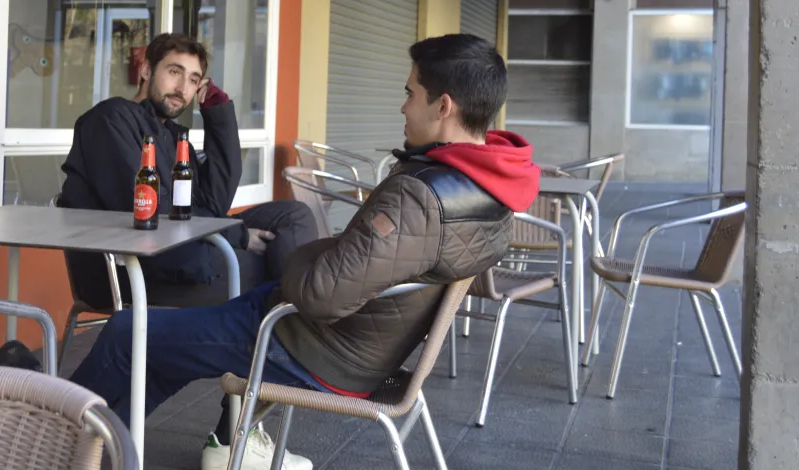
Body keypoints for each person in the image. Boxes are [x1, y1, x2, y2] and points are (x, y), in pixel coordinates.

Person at [66, 33, 541, 470]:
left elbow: (321, 293)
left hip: (313, 344)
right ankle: (110, 443)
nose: (402, 107)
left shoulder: (421, 194)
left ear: (443, 106)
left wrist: (305, 255)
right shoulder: (496, 188)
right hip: (349, 340)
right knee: (163, 347)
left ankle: (52, 431)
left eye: (410, 94)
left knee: (129, 330)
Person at [53, 32, 321, 469]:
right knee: (270, 292)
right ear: (146, 70)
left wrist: (218, 115)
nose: (183, 87)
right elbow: (145, 206)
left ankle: (302, 321)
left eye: (194, 80)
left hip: (185, 248)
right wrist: (235, 237)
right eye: (174, 72)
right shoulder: (112, 119)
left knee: (289, 219)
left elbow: (213, 203)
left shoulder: (174, 135)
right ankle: (237, 426)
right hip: (137, 263)